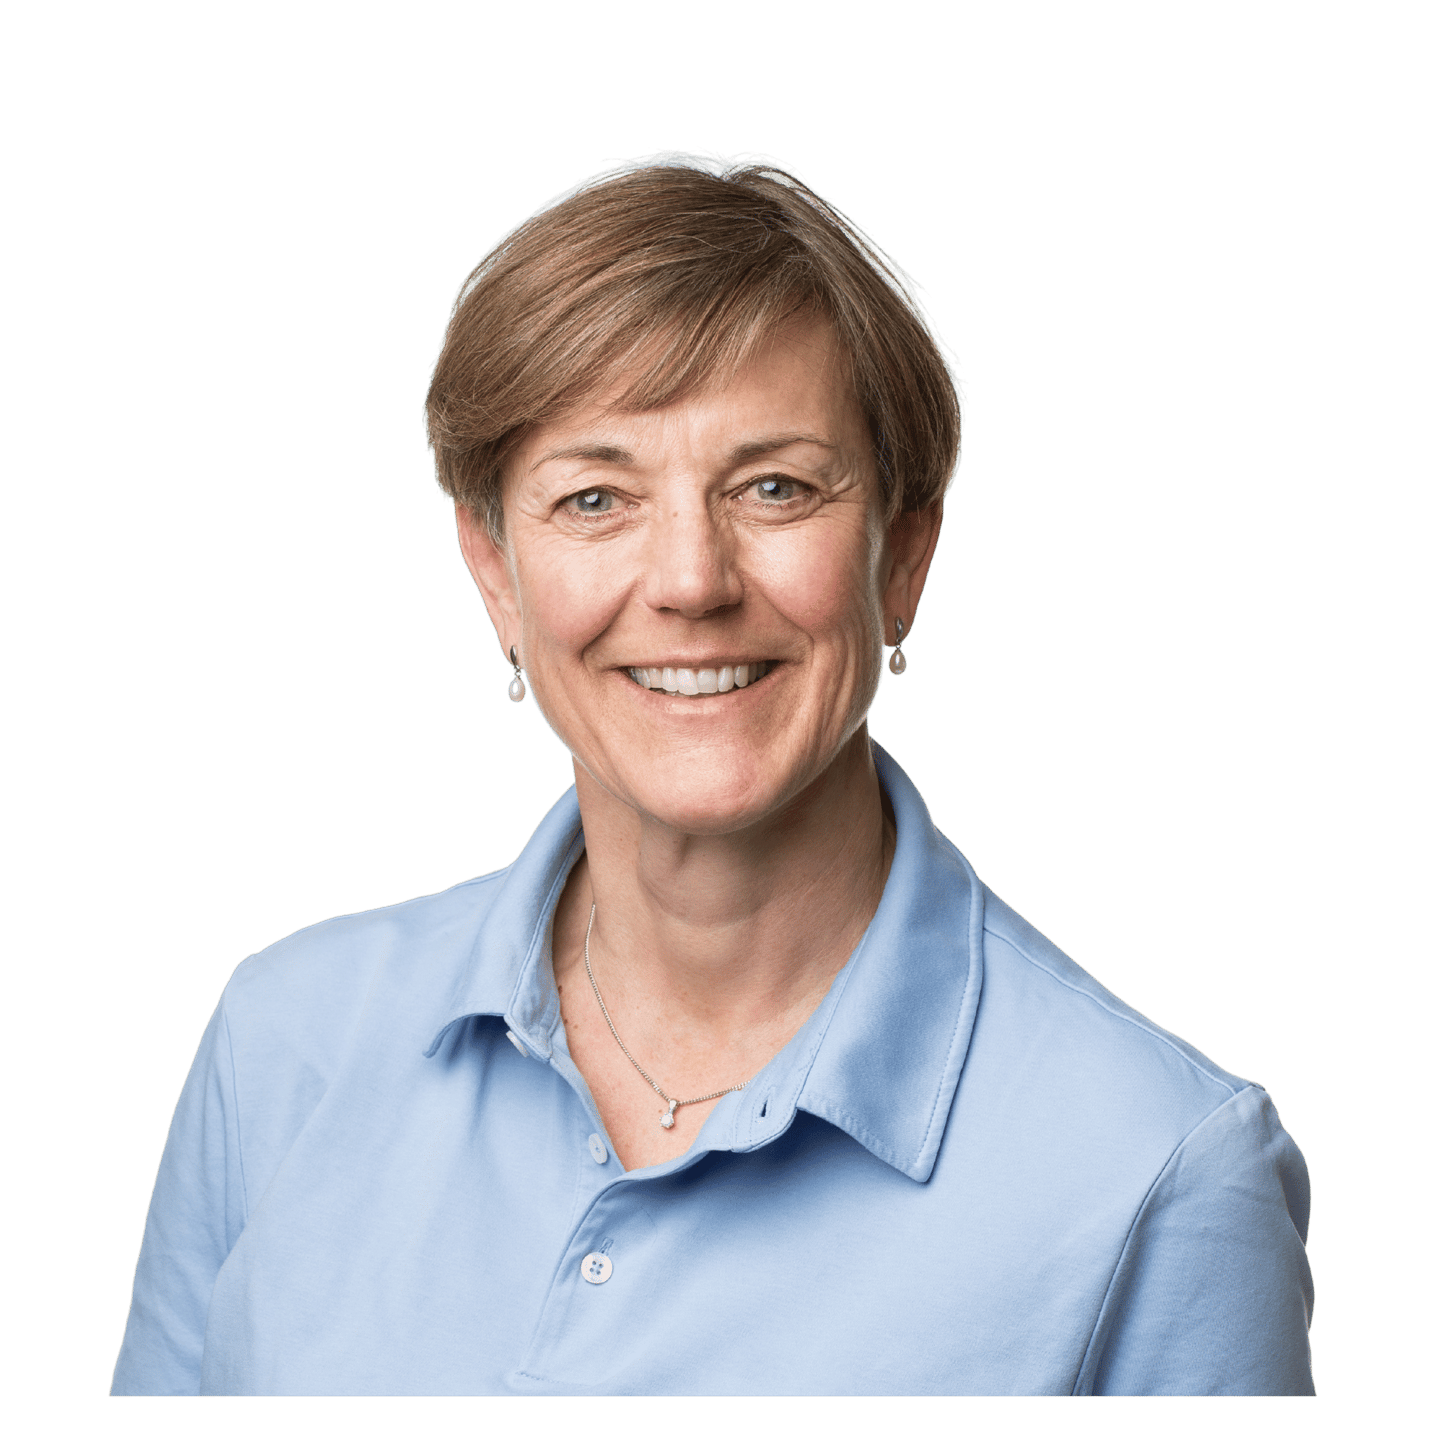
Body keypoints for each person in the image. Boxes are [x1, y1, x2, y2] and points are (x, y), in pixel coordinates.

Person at [110, 150, 1315, 1397]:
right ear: (495, 573)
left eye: (775, 487)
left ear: (903, 556)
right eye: (595, 498)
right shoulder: (283, 1042)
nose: (691, 580)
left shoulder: (1159, 1172)